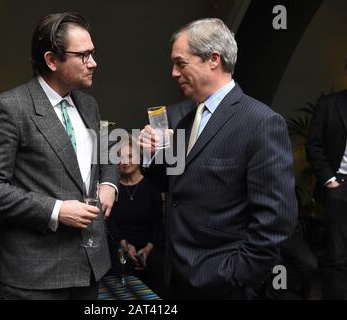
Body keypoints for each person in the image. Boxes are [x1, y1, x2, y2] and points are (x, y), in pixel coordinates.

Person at [140, 18, 297, 299]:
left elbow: (276, 219)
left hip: (223, 285)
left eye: (181, 62)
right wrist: (151, 156)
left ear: (213, 59)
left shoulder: (260, 123)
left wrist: (235, 274)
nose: (174, 73)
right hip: (177, 277)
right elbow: (174, 185)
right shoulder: (187, 121)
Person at [0, 12, 119, 300]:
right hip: (37, 276)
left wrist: (109, 184)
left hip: (91, 265)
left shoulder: (89, 105)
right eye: (84, 55)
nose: (93, 63)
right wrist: (56, 210)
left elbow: (105, 154)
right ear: (52, 60)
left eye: (93, 53)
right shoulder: (9, 108)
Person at [306, 60, 347, 299]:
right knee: (338, 258)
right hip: (340, 187)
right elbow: (314, 145)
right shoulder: (329, 104)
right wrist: (330, 181)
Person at [106, 135, 165, 297]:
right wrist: (123, 243)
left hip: (149, 246)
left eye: (130, 156)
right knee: (118, 273)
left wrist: (148, 248)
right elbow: (108, 220)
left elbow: (159, 222)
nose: (124, 161)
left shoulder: (152, 187)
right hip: (121, 245)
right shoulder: (112, 188)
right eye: (120, 157)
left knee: (158, 271)